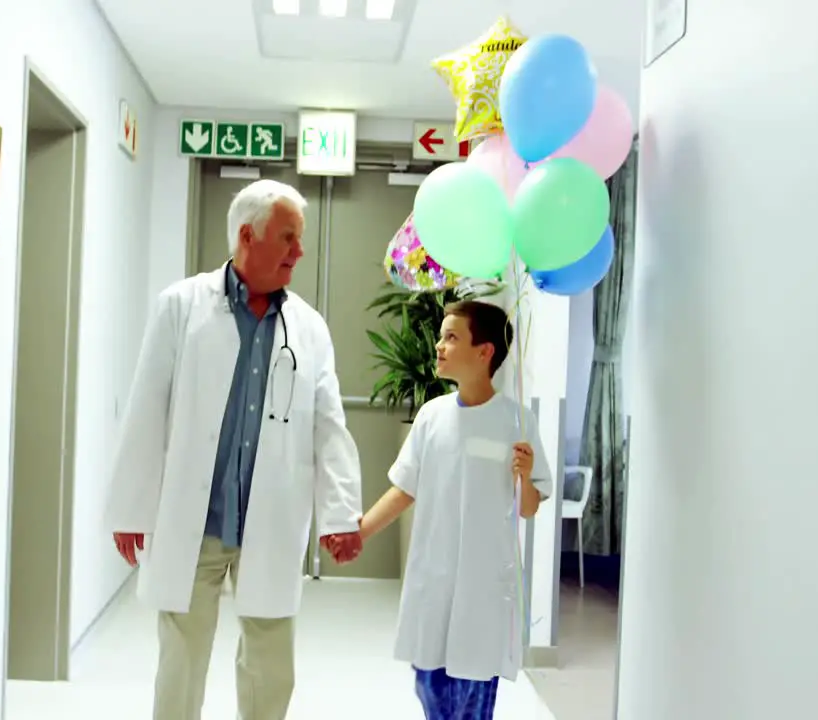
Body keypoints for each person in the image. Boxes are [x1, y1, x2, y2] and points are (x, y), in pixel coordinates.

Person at [103, 179, 364, 720]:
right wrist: (131, 507)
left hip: (268, 519)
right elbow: (147, 406)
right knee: (181, 661)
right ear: (249, 236)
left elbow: (329, 427)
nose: (300, 251)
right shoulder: (181, 307)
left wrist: (340, 514)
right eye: (288, 238)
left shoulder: (309, 328)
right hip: (195, 522)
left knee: (271, 667)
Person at [358, 299, 553, 720]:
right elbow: (404, 488)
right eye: (441, 337)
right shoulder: (432, 416)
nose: (439, 347)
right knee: (429, 686)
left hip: (484, 590)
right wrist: (360, 532)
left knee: (473, 695)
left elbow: (528, 509)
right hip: (435, 580)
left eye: (451, 337)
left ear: (485, 353)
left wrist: (524, 475)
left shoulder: (517, 422)